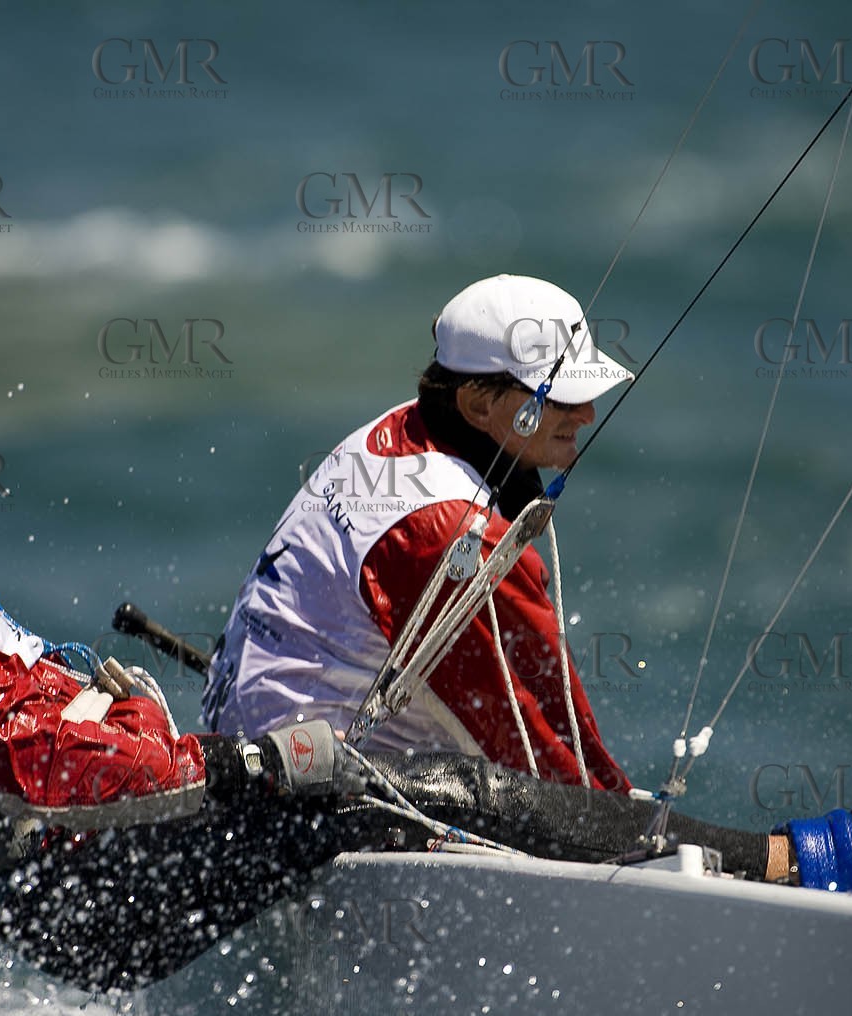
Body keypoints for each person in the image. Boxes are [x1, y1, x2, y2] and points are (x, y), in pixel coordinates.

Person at [0, 333, 852, 991]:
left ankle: (674, 861)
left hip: (54, 882)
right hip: (61, 910)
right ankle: (795, 866)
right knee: (390, 787)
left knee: (365, 784)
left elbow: (19, 731)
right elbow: (28, 754)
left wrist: (168, 734)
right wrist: (245, 764)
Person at [204, 274, 639, 788]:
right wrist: (645, 828)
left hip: (241, 732)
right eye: (562, 399)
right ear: (478, 405)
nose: (587, 414)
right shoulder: (452, 537)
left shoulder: (401, 429)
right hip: (296, 792)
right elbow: (556, 766)